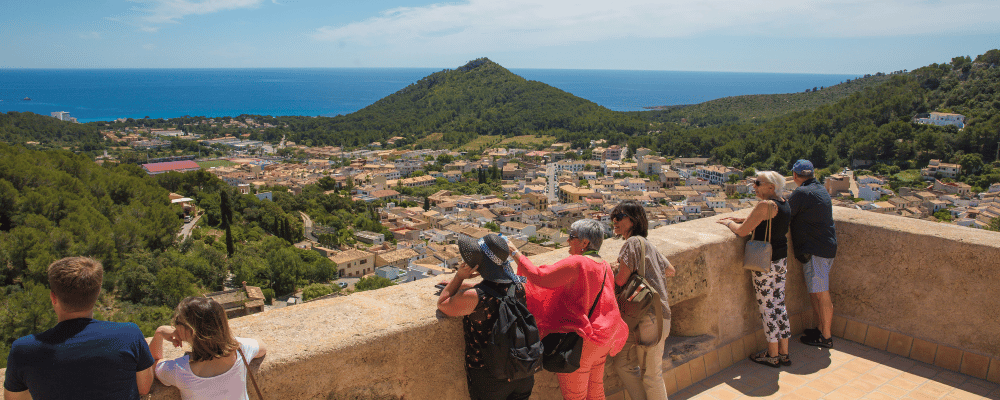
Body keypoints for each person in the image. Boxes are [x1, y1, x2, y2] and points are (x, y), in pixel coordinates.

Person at [506, 219, 627, 400]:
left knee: (575, 396)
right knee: (596, 392)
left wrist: (514, 252)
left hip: (584, 340)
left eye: (572, 237)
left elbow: (540, 277)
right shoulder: (604, 265)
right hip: (605, 337)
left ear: (585, 243)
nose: (568, 241)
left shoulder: (578, 262)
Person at [3, 257, 156, 400]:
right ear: (97, 294)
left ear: (53, 297)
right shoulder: (129, 334)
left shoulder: (23, 349)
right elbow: (144, 388)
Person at [438, 233, 535, 400]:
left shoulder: (475, 297)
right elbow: (496, 287)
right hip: (522, 370)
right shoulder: (518, 286)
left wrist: (459, 278)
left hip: (490, 377)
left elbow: (443, 303)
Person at [718, 171, 792, 367]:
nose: (754, 186)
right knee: (779, 305)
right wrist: (745, 219)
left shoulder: (765, 205)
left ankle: (772, 354)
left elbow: (742, 232)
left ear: (771, 187)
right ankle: (784, 353)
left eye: (758, 183)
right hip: (780, 260)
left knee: (767, 308)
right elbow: (765, 223)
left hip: (764, 262)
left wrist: (729, 223)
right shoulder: (784, 203)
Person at [610, 200, 675, 400]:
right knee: (623, 363)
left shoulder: (631, 243)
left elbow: (620, 280)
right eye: (613, 218)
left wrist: (616, 268)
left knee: (651, 375)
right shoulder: (647, 245)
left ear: (634, 219)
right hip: (656, 316)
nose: (615, 221)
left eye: (619, 217)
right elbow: (671, 270)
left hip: (647, 317)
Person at [151, 296, 267, 400]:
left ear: (190, 331)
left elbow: (152, 365)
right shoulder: (241, 350)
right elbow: (261, 347)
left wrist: (159, 333)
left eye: (177, 322)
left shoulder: (180, 370)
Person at [788, 159, 837, 348]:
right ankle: (819, 329)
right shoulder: (820, 189)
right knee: (817, 292)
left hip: (816, 250)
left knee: (822, 293)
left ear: (795, 176)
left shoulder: (802, 192)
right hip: (826, 247)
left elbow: (786, 212)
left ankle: (825, 336)